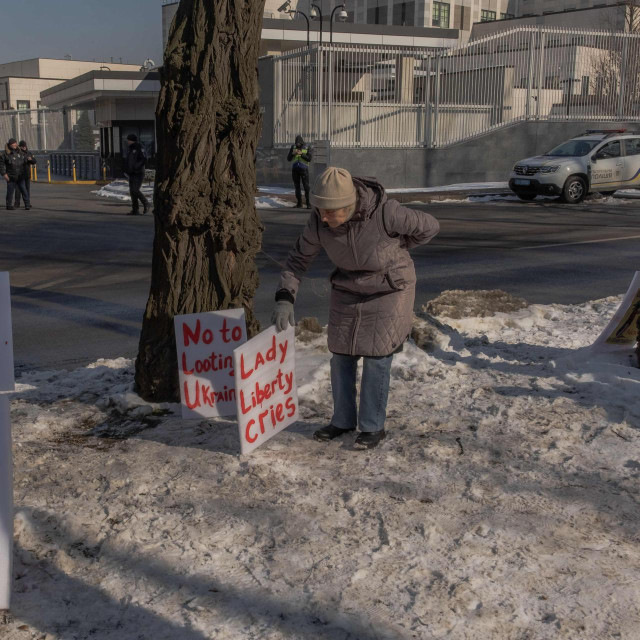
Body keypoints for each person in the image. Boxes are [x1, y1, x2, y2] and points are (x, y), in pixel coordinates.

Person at [272, 167, 440, 449]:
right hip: (348, 286)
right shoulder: (318, 222)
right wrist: (284, 296)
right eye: (319, 209)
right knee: (341, 354)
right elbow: (298, 260)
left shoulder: (387, 213)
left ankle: (373, 426)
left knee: (376, 356)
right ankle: (342, 421)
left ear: (348, 205)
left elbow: (430, 227)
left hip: (390, 287)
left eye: (329, 211)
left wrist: (399, 245)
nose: (323, 216)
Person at [0, 138, 30, 211]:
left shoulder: (20, 152)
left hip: (20, 176)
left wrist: (30, 159)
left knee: (24, 190)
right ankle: (9, 205)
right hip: (11, 176)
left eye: (15, 143)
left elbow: (26, 160)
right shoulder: (5, 154)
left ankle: (27, 204)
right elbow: (1, 165)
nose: (15, 145)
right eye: (13, 144)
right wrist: (4, 174)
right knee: (10, 191)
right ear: (10, 145)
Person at [125, 133, 149, 215]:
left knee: (135, 190)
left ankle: (146, 203)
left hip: (138, 172)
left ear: (131, 140)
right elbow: (129, 160)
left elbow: (144, 159)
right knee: (132, 191)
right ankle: (135, 209)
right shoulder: (130, 148)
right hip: (131, 173)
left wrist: (135, 167)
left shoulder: (139, 147)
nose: (127, 141)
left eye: (128, 140)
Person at [287, 135, 312, 208]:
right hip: (295, 169)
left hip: (304, 169)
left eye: (298, 143)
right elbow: (288, 159)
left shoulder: (307, 147)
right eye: (296, 143)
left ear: (301, 142)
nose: (297, 145)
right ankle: (299, 203)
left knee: (306, 187)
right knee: (297, 186)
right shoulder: (293, 147)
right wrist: (292, 154)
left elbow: (309, 159)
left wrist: (301, 154)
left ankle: (308, 204)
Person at [14, 141, 36, 209]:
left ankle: (27, 203)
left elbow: (34, 161)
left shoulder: (28, 153)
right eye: (23, 146)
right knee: (18, 190)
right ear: (20, 146)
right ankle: (17, 203)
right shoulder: (17, 153)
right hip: (19, 175)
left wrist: (31, 159)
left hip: (27, 174)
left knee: (27, 189)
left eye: (25, 146)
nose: (24, 147)